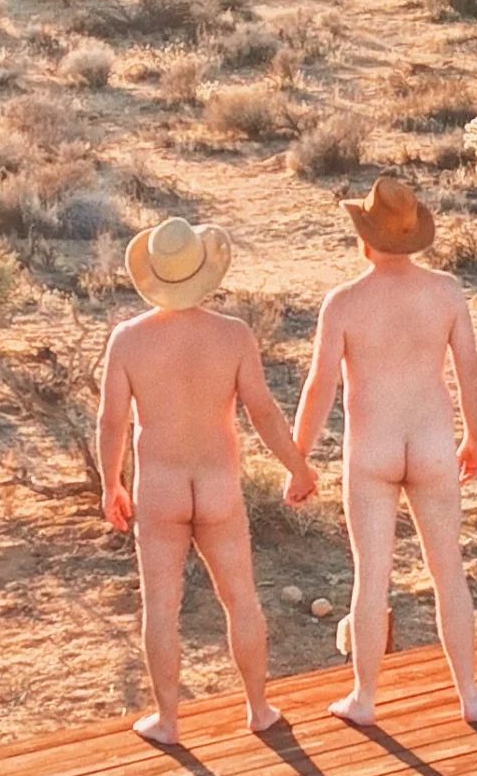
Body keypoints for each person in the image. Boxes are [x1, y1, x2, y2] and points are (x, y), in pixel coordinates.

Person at [98, 217, 317, 744]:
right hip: (217, 485)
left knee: (161, 608)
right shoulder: (233, 336)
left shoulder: (128, 341)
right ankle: (259, 709)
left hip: (161, 489)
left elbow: (111, 421)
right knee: (241, 598)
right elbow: (263, 412)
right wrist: (298, 467)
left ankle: (169, 721)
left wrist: (111, 484)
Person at [292, 176, 477, 726]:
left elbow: (319, 387)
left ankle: (364, 699)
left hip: (372, 449)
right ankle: (470, 696)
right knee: (448, 569)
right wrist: (474, 436)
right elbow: (468, 371)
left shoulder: (345, 303)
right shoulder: (446, 292)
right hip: (431, 442)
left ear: (365, 236)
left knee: (371, 575)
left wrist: (298, 458)